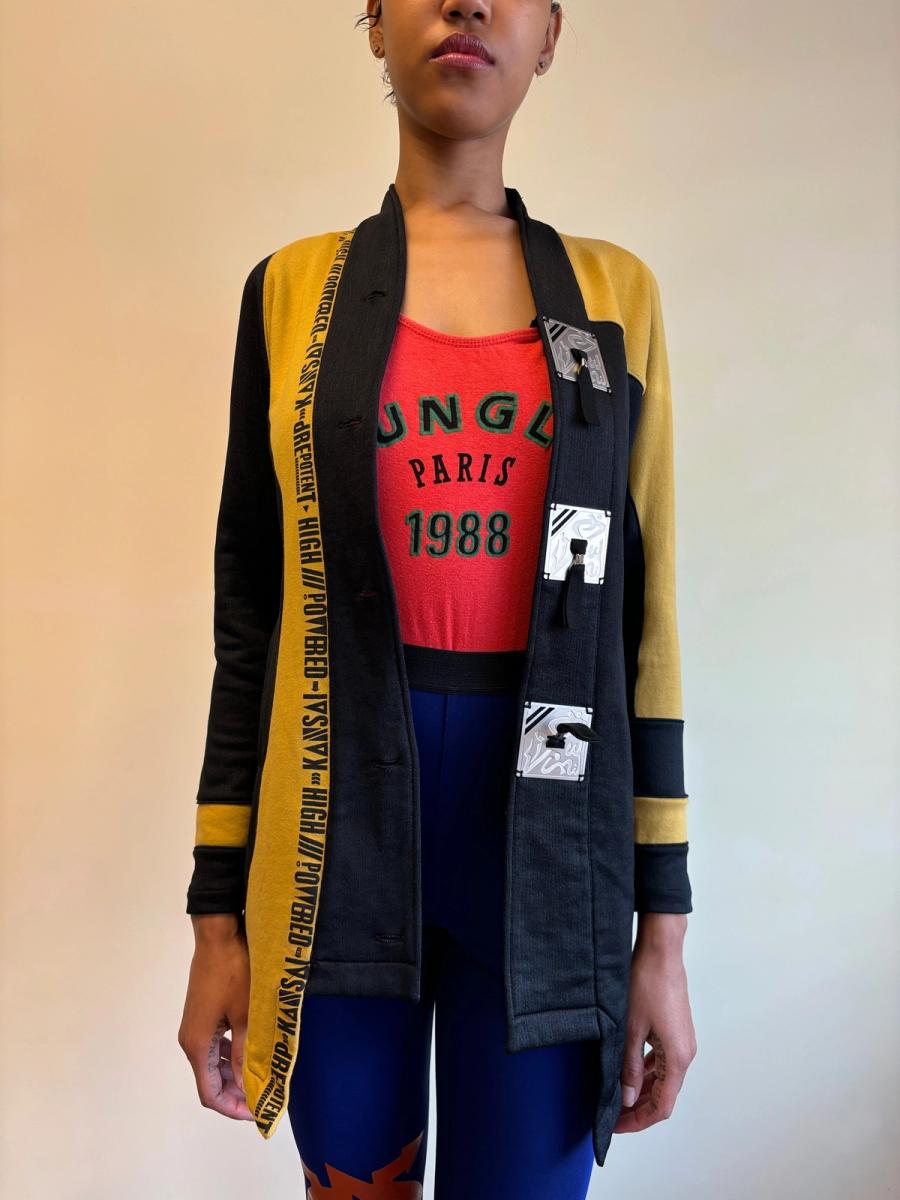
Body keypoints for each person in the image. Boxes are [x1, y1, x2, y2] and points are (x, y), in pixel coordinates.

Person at [178, 2, 697, 1196]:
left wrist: (662, 936)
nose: (466, 2)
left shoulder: (614, 298)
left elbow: (645, 625)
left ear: (551, 33)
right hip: (334, 847)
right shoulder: (293, 292)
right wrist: (217, 919)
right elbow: (251, 621)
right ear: (372, 19)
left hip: (552, 853)